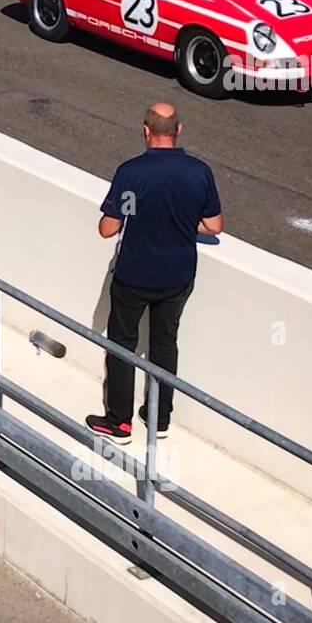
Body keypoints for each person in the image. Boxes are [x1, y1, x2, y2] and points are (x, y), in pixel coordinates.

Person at [87, 103, 223, 445]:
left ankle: (119, 422)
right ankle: (159, 417)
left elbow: (108, 229)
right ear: (179, 130)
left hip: (134, 274)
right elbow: (214, 225)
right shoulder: (199, 171)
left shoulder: (131, 172)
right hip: (178, 275)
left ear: (146, 131)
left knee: (122, 345)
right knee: (165, 343)